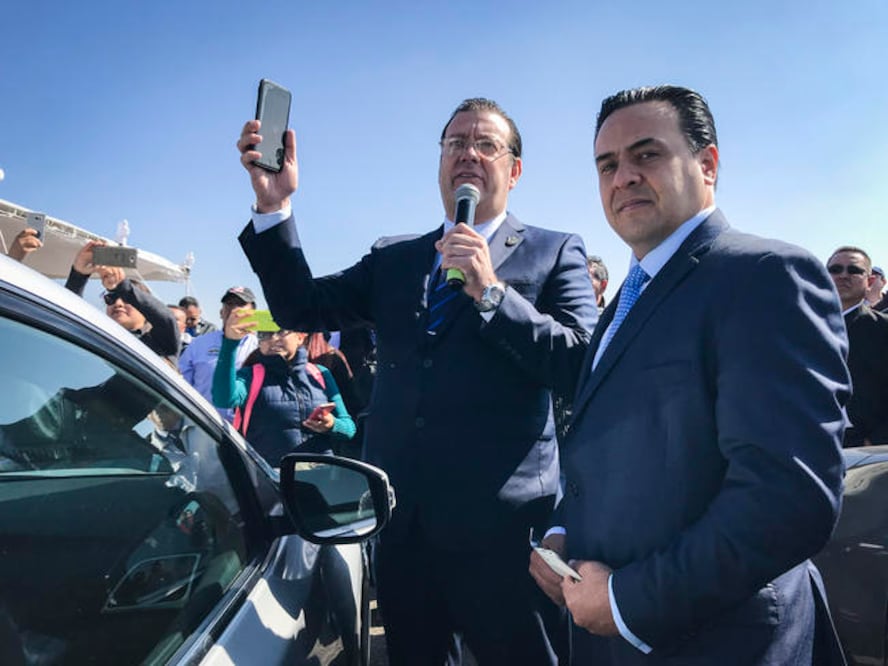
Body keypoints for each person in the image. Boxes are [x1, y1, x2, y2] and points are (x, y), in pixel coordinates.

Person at [235, 96, 597, 665]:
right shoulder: (395, 258)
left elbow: (581, 363)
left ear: (515, 168)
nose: (468, 155)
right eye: (455, 143)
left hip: (504, 536)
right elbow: (302, 307)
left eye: (486, 145)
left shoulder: (554, 251)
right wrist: (273, 205)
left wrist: (492, 294)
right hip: (404, 530)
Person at [530, 85, 850, 665]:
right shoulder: (624, 304)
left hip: (720, 641)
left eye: (646, 154)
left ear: (707, 164)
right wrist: (563, 530)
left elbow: (788, 498)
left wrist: (629, 600)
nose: (623, 176)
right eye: (607, 164)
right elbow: (614, 450)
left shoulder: (765, 277)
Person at [211, 308, 355, 464]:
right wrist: (230, 343)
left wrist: (332, 424)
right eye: (264, 335)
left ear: (300, 337)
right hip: (270, 477)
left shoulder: (320, 374)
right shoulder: (250, 375)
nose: (273, 339)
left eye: (280, 331)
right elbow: (223, 399)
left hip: (320, 475)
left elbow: (349, 428)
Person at [65, 242, 180, 361]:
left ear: (145, 310)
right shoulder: (97, 338)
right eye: (111, 299)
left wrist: (122, 286)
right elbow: (68, 320)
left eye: (127, 301)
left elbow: (166, 319)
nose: (118, 304)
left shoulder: (161, 344)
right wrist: (79, 275)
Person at [826, 246, 888, 447]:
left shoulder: (882, 328)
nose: (843, 275)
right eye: (835, 270)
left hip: (863, 445)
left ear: (870, 281)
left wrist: (877, 439)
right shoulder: (802, 328)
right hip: (809, 439)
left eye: (854, 270)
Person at [178, 287, 259, 422]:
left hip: (242, 433)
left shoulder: (259, 348)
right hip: (202, 425)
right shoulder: (199, 344)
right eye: (229, 304)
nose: (234, 310)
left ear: (253, 313)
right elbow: (182, 384)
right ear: (221, 312)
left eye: (240, 305)